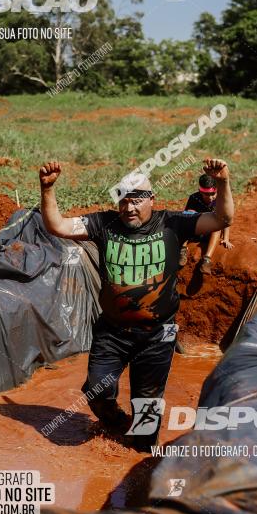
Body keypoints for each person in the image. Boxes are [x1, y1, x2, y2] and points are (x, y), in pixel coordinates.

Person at [38, 157, 234, 450]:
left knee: (147, 403)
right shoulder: (105, 223)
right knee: (96, 390)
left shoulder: (173, 223)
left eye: (136, 201)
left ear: (151, 200)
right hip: (112, 331)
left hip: (158, 334)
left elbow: (222, 219)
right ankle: (116, 423)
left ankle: (141, 458)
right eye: (123, 201)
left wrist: (223, 182)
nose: (129, 208)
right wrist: (47, 190)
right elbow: (58, 226)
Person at [179, 173, 233, 274]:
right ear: (200, 191)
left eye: (213, 194)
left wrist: (226, 239)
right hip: (196, 231)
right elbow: (185, 218)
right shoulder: (194, 198)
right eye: (206, 194)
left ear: (217, 191)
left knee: (217, 225)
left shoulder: (220, 200)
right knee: (186, 217)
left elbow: (225, 221)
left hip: (210, 234)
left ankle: (206, 260)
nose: (210, 197)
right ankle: (182, 251)